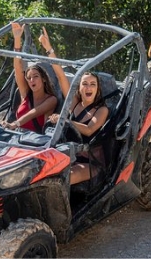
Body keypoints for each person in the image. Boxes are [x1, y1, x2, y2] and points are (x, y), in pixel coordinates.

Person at [38, 27, 110, 185]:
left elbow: (89, 129)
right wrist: (49, 49)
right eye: (85, 84)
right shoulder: (75, 102)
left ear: (98, 89)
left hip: (91, 163)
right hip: (68, 155)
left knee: (64, 178)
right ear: (79, 88)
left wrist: (64, 120)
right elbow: (61, 77)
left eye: (93, 84)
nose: (88, 87)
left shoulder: (102, 110)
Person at [0, 22, 58, 133]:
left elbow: (34, 112)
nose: (32, 80)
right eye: (29, 78)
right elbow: (17, 69)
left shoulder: (51, 99)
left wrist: (14, 124)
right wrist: (17, 40)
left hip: (35, 142)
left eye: (35, 76)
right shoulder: (25, 93)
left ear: (44, 79)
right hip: (17, 137)